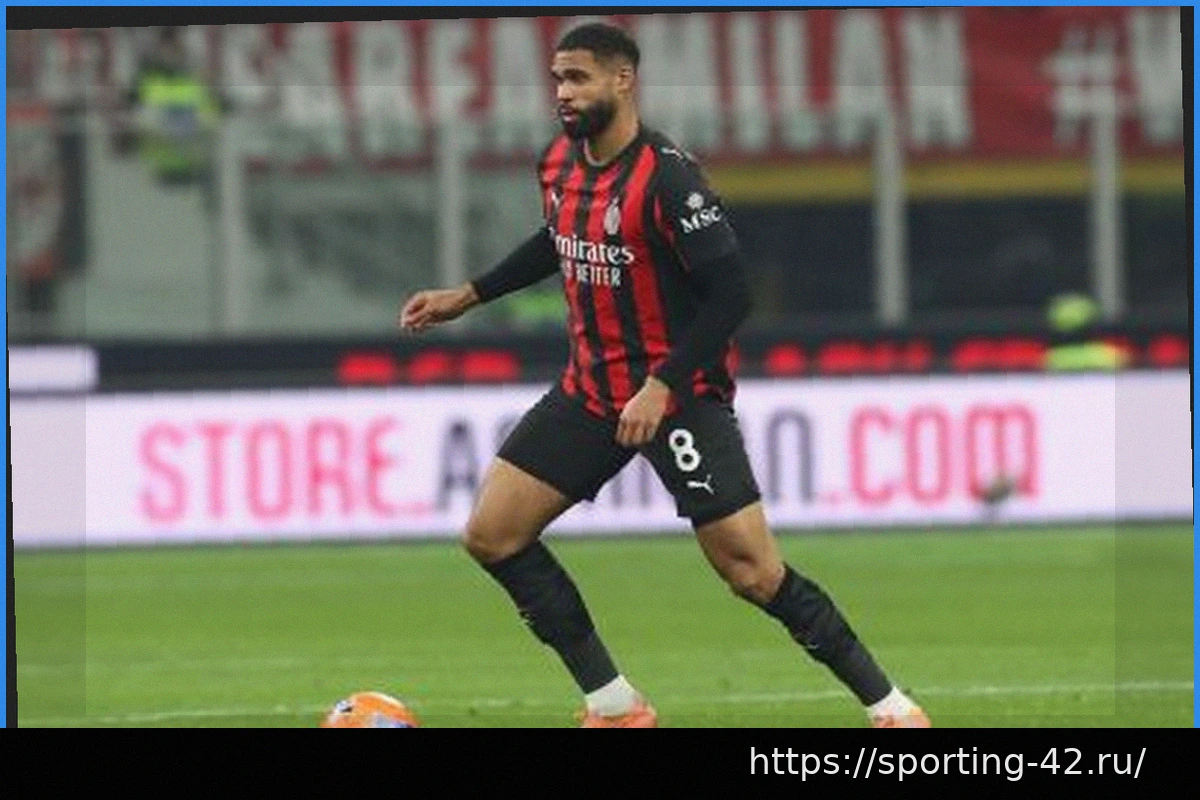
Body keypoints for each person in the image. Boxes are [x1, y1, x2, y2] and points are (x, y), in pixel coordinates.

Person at [398, 22, 929, 729]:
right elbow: (561, 236)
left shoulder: (669, 179)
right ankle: (615, 705)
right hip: (593, 391)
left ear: (623, 81)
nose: (563, 93)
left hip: (678, 399)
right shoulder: (557, 162)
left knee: (752, 573)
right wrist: (470, 294)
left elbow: (731, 296)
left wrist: (663, 384)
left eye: (578, 78)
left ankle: (892, 708)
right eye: (558, 79)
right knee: (493, 534)